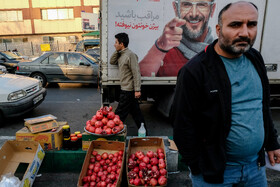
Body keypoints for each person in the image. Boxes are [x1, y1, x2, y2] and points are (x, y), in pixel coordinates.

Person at [172, 1, 280, 186]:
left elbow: (262, 106)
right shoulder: (196, 70)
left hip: (256, 168)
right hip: (216, 174)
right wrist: (197, 167)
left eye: (251, 24)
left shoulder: (255, 58)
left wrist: (272, 143)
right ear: (219, 29)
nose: (245, 33)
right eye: (235, 25)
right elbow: (182, 125)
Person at [139, 0, 216, 77]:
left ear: (212, 9)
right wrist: (160, 47)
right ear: (176, 8)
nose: (194, 14)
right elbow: (136, 81)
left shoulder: (219, 51)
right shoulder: (163, 53)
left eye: (202, 5)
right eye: (186, 4)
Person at [110, 33, 146, 131]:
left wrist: (137, 89)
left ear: (122, 44)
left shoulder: (130, 55)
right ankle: (144, 133)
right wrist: (117, 51)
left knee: (119, 115)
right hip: (125, 89)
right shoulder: (121, 54)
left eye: (116, 42)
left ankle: (113, 133)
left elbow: (136, 72)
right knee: (136, 113)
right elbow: (112, 61)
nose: (114, 44)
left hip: (128, 90)